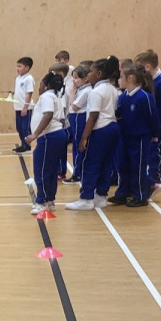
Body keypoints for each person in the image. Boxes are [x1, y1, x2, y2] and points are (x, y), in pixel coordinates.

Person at [67, 56, 121, 212]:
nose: (88, 74)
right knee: (106, 163)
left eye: (91, 72)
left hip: (100, 129)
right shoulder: (112, 89)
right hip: (112, 127)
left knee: (90, 163)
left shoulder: (96, 92)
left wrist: (84, 137)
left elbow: (93, 116)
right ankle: (101, 196)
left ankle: (86, 198)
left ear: (99, 74)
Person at [109, 63, 160, 208]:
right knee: (123, 165)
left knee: (137, 167)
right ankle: (123, 192)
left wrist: (154, 134)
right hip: (124, 137)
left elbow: (152, 117)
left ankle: (140, 195)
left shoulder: (144, 97)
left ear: (130, 78)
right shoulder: (123, 97)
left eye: (121, 77)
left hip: (139, 138)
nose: (119, 80)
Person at [24, 71, 68, 213]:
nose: (39, 87)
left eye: (41, 83)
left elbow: (48, 114)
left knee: (41, 169)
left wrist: (35, 134)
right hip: (56, 135)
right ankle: (50, 200)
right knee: (51, 170)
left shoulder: (47, 96)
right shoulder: (55, 96)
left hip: (49, 136)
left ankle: (41, 202)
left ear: (47, 85)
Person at [136, 50, 161, 187]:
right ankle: (158, 172)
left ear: (147, 66)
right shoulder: (149, 81)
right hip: (151, 123)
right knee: (151, 150)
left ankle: (155, 177)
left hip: (160, 124)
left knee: (154, 150)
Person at [63, 62, 93, 184]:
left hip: (79, 118)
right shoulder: (82, 89)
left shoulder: (86, 91)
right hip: (75, 118)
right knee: (76, 145)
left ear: (86, 78)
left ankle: (78, 173)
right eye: (73, 78)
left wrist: (72, 93)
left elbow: (75, 106)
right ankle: (78, 171)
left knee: (78, 145)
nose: (74, 81)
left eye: (76, 78)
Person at [9, 56, 35, 153]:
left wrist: (25, 107)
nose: (17, 68)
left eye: (20, 66)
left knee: (25, 127)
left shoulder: (29, 79)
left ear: (27, 68)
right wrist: (14, 92)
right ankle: (23, 144)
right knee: (19, 127)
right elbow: (20, 91)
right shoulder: (18, 78)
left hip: (26, 108)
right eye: (17, 66)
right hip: (18, 107)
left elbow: (29, 93)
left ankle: (27, 146)